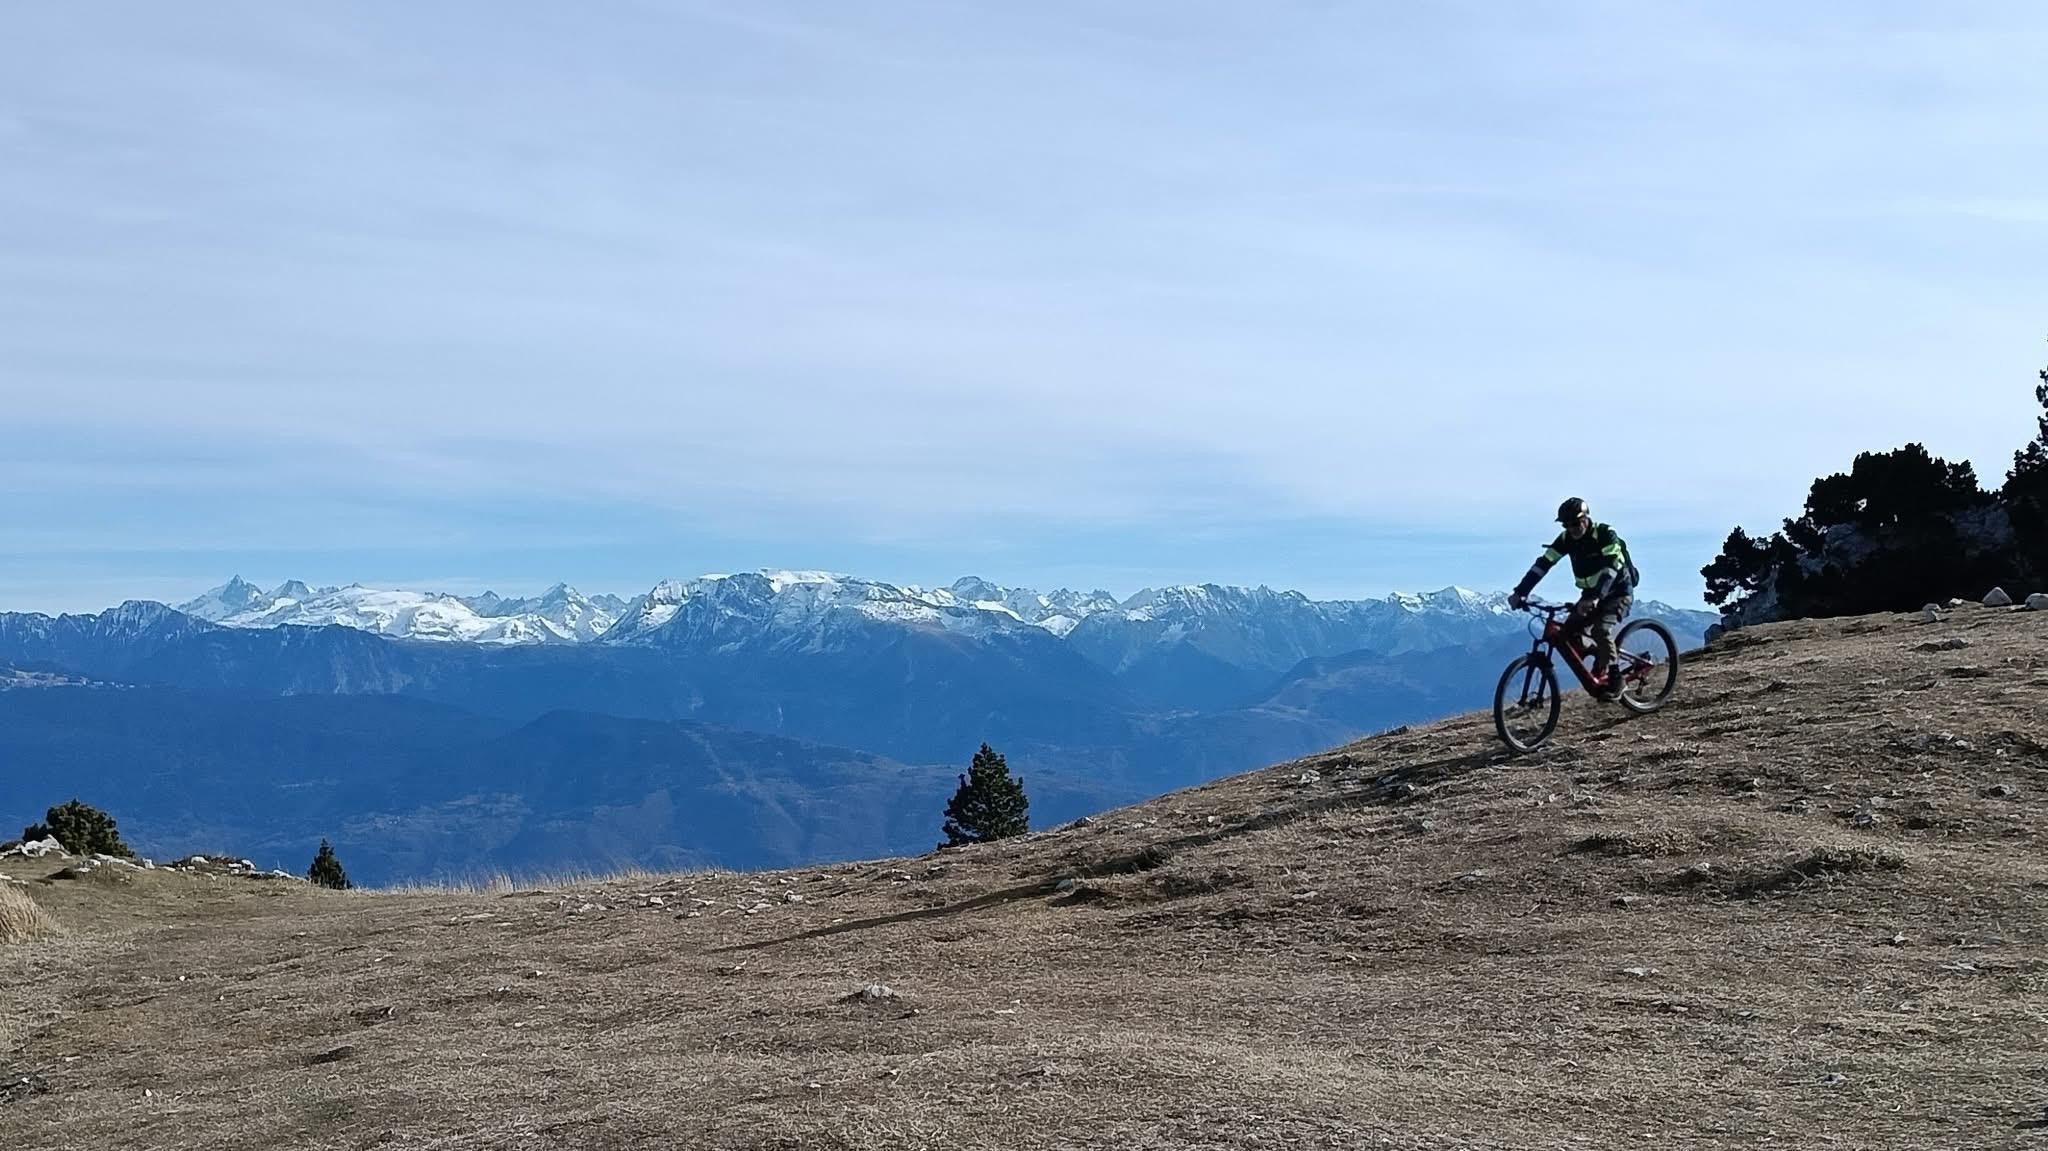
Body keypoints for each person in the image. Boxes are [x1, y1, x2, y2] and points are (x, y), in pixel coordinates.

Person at [1507, 497, 1638, 698]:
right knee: (1567, 634)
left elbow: (1611, 567)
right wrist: (1520, 592)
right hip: (1589, 595)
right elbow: (1543, 564)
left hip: (1617, 592)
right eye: (1566, 525)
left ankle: (1616, 677)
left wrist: (1595, 596)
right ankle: (1601, 655)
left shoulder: (1604, 534)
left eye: (1575, 523)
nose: (1572, 528)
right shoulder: (1566, 539)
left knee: (1601, 630)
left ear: (1586, 518)